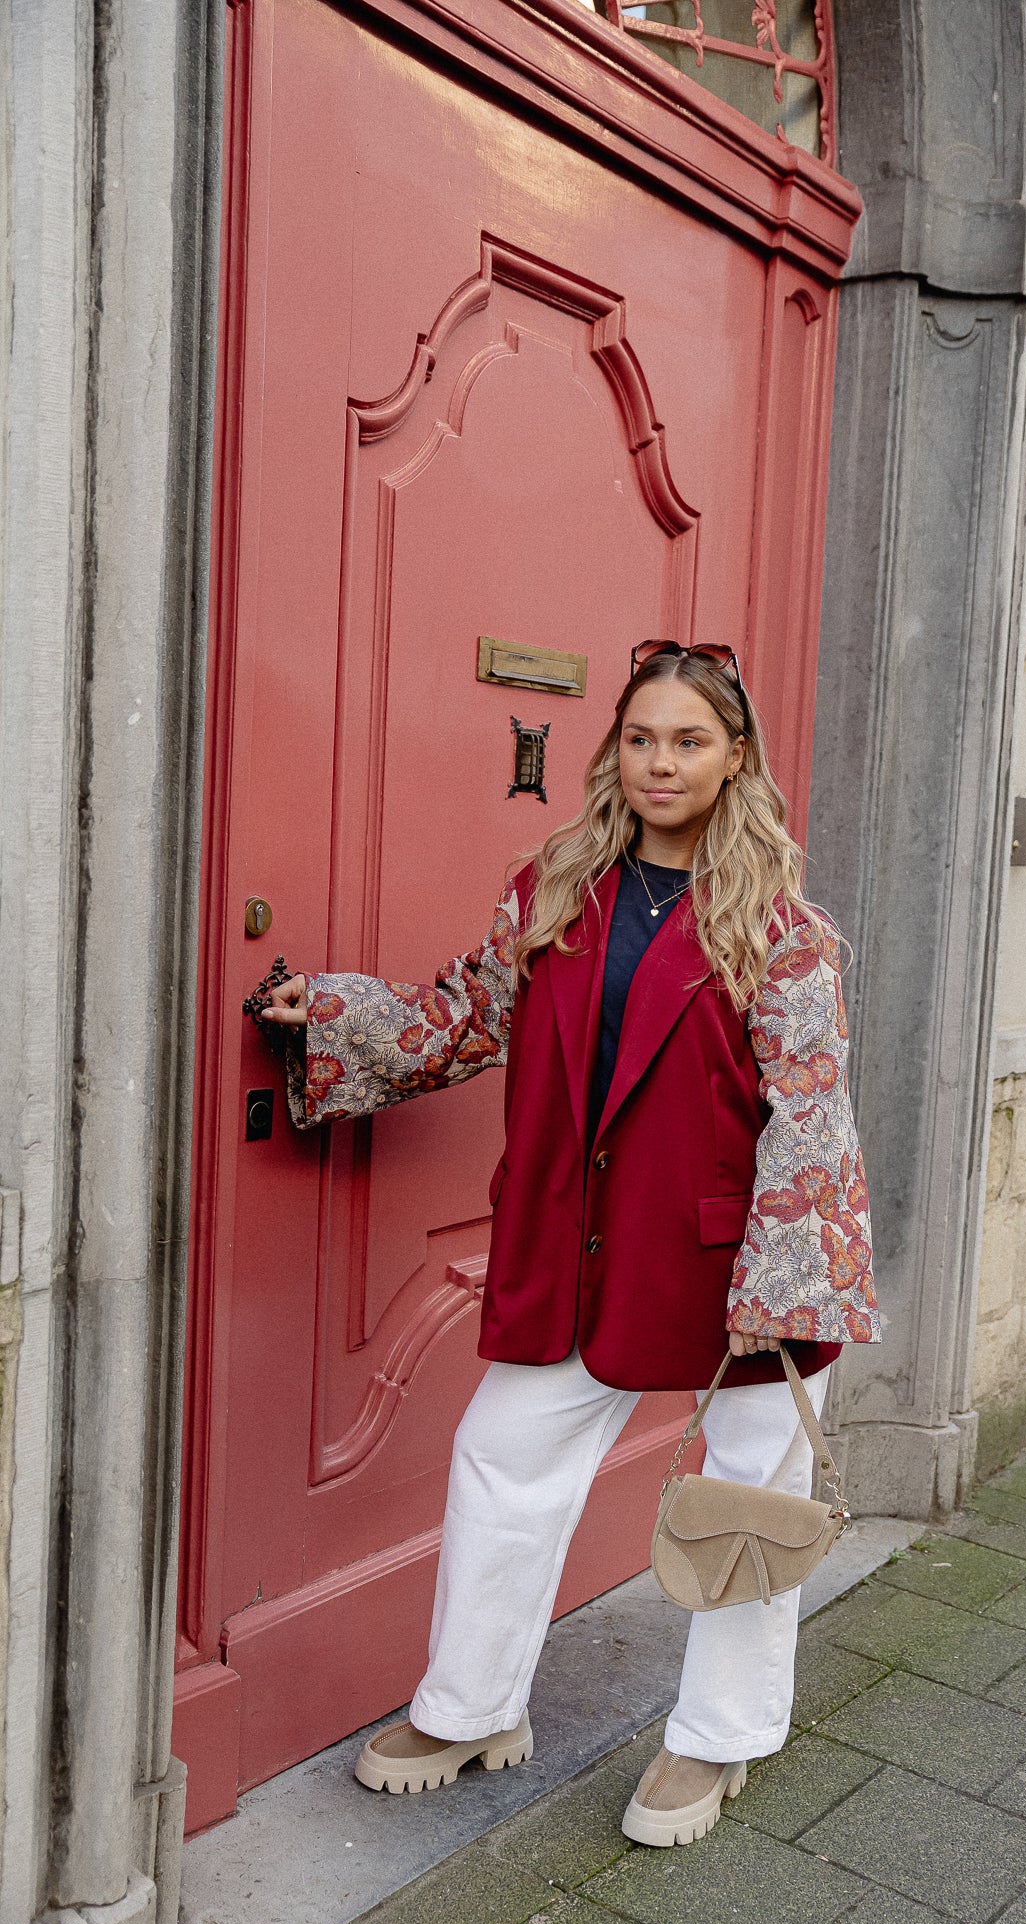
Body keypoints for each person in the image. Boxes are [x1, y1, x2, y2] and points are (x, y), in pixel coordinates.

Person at [261, 639, 880, 1848]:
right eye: (642, 737)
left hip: (740, 1261)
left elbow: (812, 1109)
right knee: (502, 1452)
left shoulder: (783, 926)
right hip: (582, 1242)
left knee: (750, 1494)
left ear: (734, 756)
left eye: (689, 740)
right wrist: (333, 1011)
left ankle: (717, 1739)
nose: (661, 761)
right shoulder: (553, 888)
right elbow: (464, 1016)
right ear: (615, 748)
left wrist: (781, 1277)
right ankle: (471, 1706)